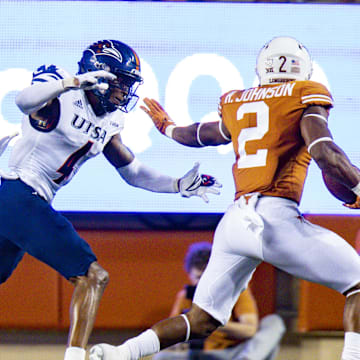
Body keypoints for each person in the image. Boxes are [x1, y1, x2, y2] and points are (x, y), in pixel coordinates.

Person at [89, 36, 360, 360]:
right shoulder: (304, 93)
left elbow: (201, 135)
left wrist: (169, 128)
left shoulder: (239, 101)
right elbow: (324, 152)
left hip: (235, 221)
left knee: (201, 319)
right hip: (274, 218)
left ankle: (120, 353)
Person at [0, 39, 221, 360]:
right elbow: (23, 101)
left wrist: (177, 185)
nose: (124, 93)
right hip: (17, 191)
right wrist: (70, 83)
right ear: (100, 75)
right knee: (92, 277)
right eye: (122, 83)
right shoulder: (61, 87)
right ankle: (75, 356)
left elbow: (132, 171)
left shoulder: (109, 122)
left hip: (25, 204)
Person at [153, 241, 285, 360]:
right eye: (198, 278)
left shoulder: (236, 290)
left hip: (232, 354)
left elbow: (250, 330)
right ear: (189, 275)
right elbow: (169, 340)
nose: (203, 283)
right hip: (198, 355)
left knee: (273, 323)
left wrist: (216, 323)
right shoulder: (185, 296)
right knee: (162, 357)